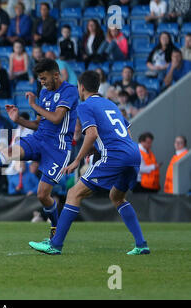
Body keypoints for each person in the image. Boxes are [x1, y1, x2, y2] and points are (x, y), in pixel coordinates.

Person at [29, 70, 150, 255]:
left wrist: (77, 160)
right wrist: (98, 149)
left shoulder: (85, 106)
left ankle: (55, 245)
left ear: (81, 87)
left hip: (115, 155)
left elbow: (92, 134)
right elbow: (125, 132)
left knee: (73, 193)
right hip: (133, 153)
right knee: (117, 197)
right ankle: (141, 244)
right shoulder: (110, 104)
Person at [0, 58, 79, 240]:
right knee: (10, 151)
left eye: (44, 78)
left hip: (58, 147)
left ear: (56, 75)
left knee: (42, 195)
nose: (42, 82)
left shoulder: (70, 91)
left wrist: (33, 105)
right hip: (39, 138)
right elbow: (38, 123)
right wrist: (18, 120)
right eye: (40, 79)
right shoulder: (44, 92)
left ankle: (55, 228)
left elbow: (57, 118)